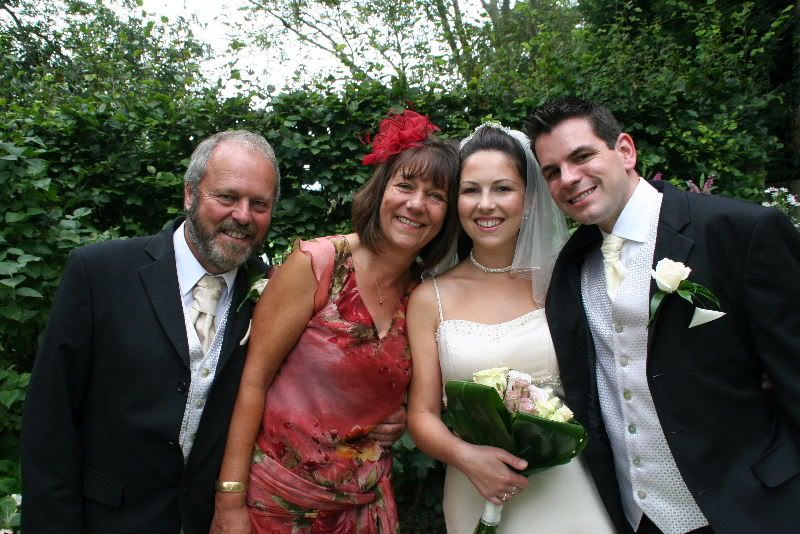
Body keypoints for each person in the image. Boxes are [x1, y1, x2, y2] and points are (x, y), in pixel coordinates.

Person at [528, 97, 800, 534]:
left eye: (582, 156)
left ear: (625, 151)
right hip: (638, 518)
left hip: (752, 507)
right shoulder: (571, 268)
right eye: (552, 172)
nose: (569, 178)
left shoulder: (739, 232)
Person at [209, 110, 460, 534]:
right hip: (277, 504)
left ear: (448, 214)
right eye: (405, 186)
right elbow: (252, 381)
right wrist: (229, 499)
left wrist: (398, 414)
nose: (416, 204)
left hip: (364, 508)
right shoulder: (319, 263)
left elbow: (403, 394)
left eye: (435, 195)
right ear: (381, 191)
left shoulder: (424, 295)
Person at [20, 130, 281, 533]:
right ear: (190, 194)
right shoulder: (99, 273)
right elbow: (50, 423)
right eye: (227, 197)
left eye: (259, 204)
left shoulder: (277, 294)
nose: (243, 216)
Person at [406, 123, 616, 533]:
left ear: (530, 197)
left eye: (502, 188)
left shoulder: (567, 280)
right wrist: (468, 458)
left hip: (569, 483)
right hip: (474, 486)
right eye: (471, 190)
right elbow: (422, 415)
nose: (485, 205)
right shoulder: (430, 298)